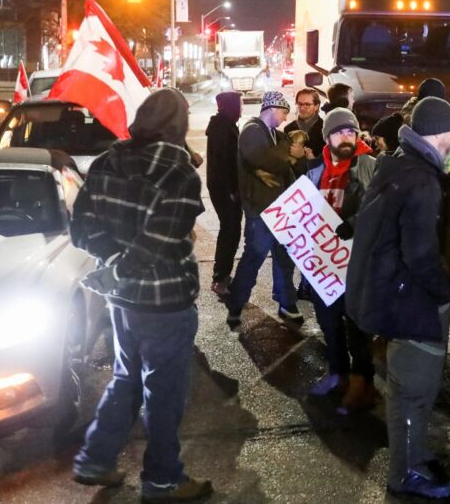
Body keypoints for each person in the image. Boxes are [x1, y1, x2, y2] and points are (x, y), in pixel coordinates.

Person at [69, 89, 212, 503]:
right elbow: (162, 241)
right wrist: (121, 267)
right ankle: (164, 480)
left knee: (126, 377)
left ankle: (95, 460)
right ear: (178, 124)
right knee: (164, 393)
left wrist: (113, 264)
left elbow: (82, 228)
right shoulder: (178, 171)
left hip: (123, 301)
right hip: (165, 301)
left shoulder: (106, 160)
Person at [346, 97, 450, 499]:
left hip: (393, 296)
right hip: (411, 301)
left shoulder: (397, 163)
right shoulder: (423, 179)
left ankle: (414, 456)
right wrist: (446, 288)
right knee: (413, 390)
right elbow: (421, 254)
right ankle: (405, 473)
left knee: (411, 388)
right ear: (438, 133)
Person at [304, 108, 380, 415]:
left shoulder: (370, 166)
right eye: (339, 133)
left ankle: (362, 384)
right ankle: (338, 373)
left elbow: (380, 209)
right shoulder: (313, 170)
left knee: (358, 327)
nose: (346, 138)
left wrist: (353, 222)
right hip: (324, 265)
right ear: (327, 137)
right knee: (329, 323)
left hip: (356, 264)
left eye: (351, 132)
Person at [223, 91, 307, 328]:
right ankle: (236, 305)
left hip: (279, 208)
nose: (284, 118)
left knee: (284, 258)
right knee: (254, 257)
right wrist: (291, 156)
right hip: (260, 209)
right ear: (272, 109)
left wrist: (296, 157)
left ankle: (286, 303)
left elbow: (283, 161)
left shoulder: (273, 134)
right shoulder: (252, 130)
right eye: (283, 112)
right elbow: (261, 158)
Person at [205, 92, 243, 291]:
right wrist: (231, 190)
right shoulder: (222, 128)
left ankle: (222, 274)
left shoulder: (225, 125)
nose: (242, 108)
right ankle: (220, 277)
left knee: (232, 229)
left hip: (226, 188)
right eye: (240, 104)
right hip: (225, 189)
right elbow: (222, 163)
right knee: (229, 230)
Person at [283, 88, 325, 164]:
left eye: (307, 104)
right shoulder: (288, 129)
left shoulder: (325, 129)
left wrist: (304, 156)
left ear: (316, 106)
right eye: (300, 104)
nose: (302, 108)